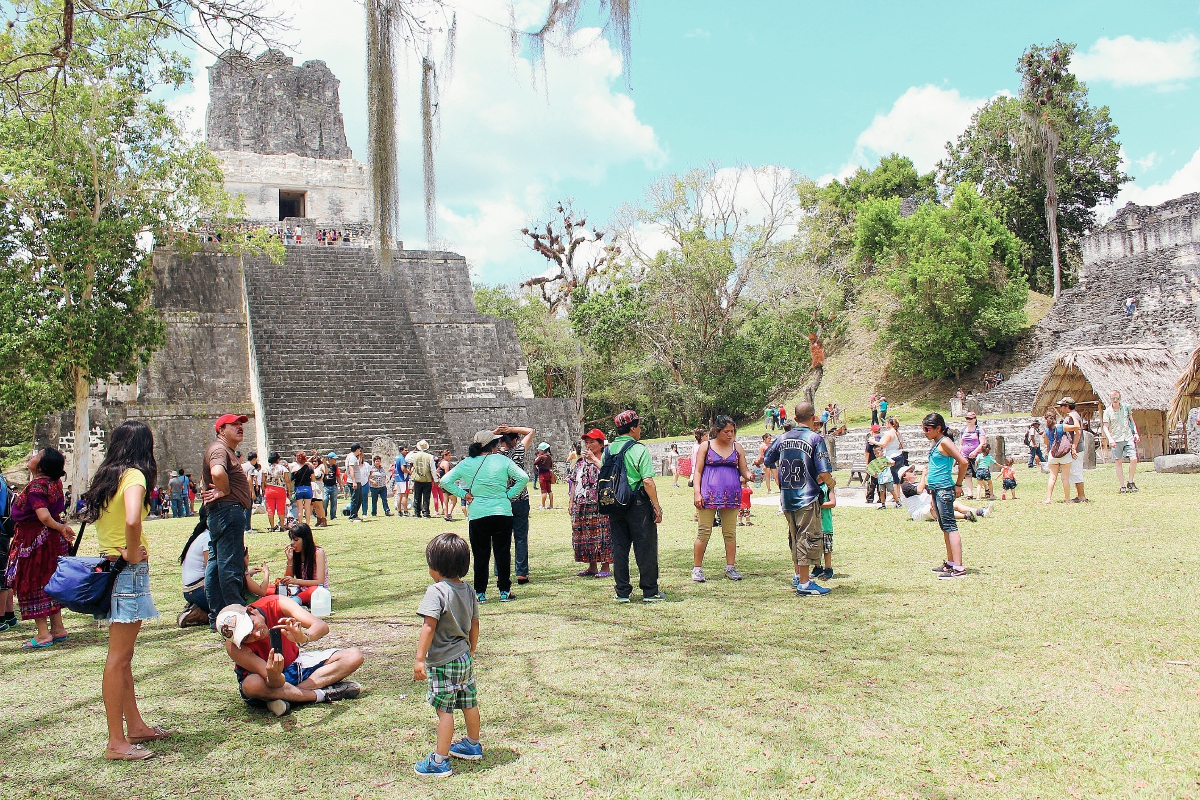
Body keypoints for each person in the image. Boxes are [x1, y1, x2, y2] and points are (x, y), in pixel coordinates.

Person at [81, 419, 171, 761]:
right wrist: (133, 552)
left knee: (124, 657)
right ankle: (116, 742)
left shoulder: (108, 477)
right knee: (118, 659)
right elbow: (133, 520)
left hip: (112, 568)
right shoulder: (134, 476)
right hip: (127, 572)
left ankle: (134, 727)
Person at [216, 595, 364, 718]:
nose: (256, 634)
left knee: (353, 656)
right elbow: (274, 682)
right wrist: (274, 675)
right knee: (251, 685)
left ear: (251, 611)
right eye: (247, 637)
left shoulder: (276, 603)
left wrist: (303, 637)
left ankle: (284, 698)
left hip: (295, 665)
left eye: (252, 626)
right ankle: (321, 695)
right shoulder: (234, 647)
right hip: (267, 681)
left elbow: (321, 626)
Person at [413, 533, 482, 777]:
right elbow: (474, 623)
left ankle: (439, 761)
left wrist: (420, 658)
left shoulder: (436, 591)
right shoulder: (468, 589)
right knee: (469, 702)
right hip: (464, 658)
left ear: (435, 566)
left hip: (442, 662)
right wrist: (471, 648)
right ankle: (473, 745)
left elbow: (428, 626)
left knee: (445, 710)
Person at [439, 430, 530, 603]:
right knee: (502, 553)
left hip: (478, 513)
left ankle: (480, 593)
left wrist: (463, 494)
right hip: (502, 511)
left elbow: (444, 481)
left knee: (480, 554)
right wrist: (509, 495)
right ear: (493, 445)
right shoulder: (503, 460)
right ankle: (504, 591)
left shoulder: (467, 463)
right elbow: (523, 478)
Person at [763, 402, 835, 597]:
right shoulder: (815, 438)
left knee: (794, 537)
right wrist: (831, 484)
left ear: (795, 418)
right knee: (807, 536)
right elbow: (824, 470)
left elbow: (768, 459)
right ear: (813, 418)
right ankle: (805, 583)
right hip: (807, 496)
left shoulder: (783, 437)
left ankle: (798, 576)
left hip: (787, 497)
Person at [4, 447, 72, 648]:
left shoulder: (36, 487)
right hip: (51, 540)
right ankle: (58, 628)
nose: (31, 457)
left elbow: (43, 516)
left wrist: (60, 527)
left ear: (41, 465)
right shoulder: (55, 483)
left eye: (36, 456)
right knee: (51, 581)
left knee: (32, 583)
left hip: (34, 541)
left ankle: (43, 634)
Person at [603, 411, 665, 603]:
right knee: (645, 547)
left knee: (619, 549)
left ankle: (622, 592)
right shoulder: (639, 449)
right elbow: (647, 481)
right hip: (638, 503)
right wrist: (657, 506)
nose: (640, 430)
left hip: (614, 504)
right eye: (638, 426)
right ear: (632, 428)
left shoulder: (608, 450)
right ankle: (649, 591)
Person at [202, 413, 255, 628]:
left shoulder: (225, 450)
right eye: (233, 424)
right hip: (227, 511)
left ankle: (218, 615)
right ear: (221, 430)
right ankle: (236, 612)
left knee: (216, 564)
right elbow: (216, 472)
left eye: (241, 424)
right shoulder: (219, 449)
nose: (239, 427)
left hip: (223, 511)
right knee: (230, 564)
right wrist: (224, 490)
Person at [691, 415, 753, 583]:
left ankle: (730, 567)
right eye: (726, 431)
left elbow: (744, 470)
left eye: (732, 431)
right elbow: (697, 471)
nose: (730, 434)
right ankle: (697, 569)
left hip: (731, 497)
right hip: (708, 496)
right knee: (704, 532)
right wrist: (697, 493)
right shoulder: (706, 446)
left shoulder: (737, 448)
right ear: (717, 431)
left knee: (730, 533)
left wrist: (750, 475)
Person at [918, 413, 970, 579]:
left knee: (951, 527)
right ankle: (951, 563)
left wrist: (959, 484)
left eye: (927, 429)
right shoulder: (937, 443)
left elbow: (963, 462)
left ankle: (959, 568)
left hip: (944, 490)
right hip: (936, 490)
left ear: (938, 428)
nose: (925, 432)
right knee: (945, 527)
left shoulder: (945, 442)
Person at [570, 429, 612, 578]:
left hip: (600, 503)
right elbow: (574, 481)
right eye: (586, 442)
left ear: (601, 444)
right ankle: (592, 566)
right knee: (586, 535)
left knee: (602, 534)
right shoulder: (580, 462)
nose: (588, 445)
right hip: (581, 503)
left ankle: (605, 567)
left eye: (592, 442)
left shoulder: (606, 459)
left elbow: (608, 474)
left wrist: (594, 459)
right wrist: (571, 501)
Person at [495, 425, 534, 584]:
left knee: (500, 539)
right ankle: (521, 573)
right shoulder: (518, 450)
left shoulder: (495, 454)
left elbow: (478, 440)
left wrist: (496, 433)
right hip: (520, 499)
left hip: (502, 500)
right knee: (520, 538)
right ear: (515, 440)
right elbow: (531, 431)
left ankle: (499, 573)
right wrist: (510, 428)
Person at [277, 523, 327, 605]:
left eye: (296, 540)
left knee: (315, 589)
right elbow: (288, 579)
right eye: (291, 540)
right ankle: (293, 601)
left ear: (305, 539)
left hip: (317, 591)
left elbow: (320, 582)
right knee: (276, 587)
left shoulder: (318, 553)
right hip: (301, 591)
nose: (292, 543)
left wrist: (296, 581)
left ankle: (292, 602)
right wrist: (290, 560)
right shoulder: (295, 554)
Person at [1103, 389, 1141, 493]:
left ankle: (1131, 481)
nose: (1115, 400)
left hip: (1127, 436)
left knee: (1134, 459)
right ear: (1110, 399)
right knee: (1118, 462)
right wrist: (1110, 439)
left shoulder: (1126, 408)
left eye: (1117, 398)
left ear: (1120, 398)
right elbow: (1105, 427)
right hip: (1116, 438)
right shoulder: (1107, 412)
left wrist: (1135, 433)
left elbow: (1131, 421)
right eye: (1113, 398)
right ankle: (1122, 485)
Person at [1059, 397, 1088, 503]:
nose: (1061, 408)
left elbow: (1077, 432)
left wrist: (1074, 447)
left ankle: (1081, 496)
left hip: (1076, 447)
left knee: (1076, 471)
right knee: (1074, 470)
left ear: (1067, 406)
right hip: (1075, 447)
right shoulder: (1073, 416)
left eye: (1062, 406)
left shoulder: (1072, 416)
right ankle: (1080, 495)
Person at [1043, 408, 1073, 504]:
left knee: (1052, 477)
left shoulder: (1046, 430)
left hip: (1053, 454)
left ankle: (1048, 498)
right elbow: (1075, 427)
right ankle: (1067, 498)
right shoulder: (1061, 427)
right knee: (1065, 478)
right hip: (1064, 453)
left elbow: (1045, 442)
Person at [959, 412, 987, 499]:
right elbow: (961, 444)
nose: (968, 420)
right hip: (965, 455)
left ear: (975, 419)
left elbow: (982, 443)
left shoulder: (979, 430)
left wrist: (975, 452)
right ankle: (969, 494)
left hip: (977, 456)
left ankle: (987, 489)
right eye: (967, 418)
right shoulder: (963, 430)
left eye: (970, 419)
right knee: (967, 475)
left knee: (980, 474)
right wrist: (959, 455)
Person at [409, 440, 439, 519]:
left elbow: (407, 458)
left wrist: (414, 450)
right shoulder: (430, 457)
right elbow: (433, 469)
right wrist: (435, 480)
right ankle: (426, 512)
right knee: (426, 497)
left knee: (417, 497)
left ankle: (417, 512)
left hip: (417, 479)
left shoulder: (414, 456)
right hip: (427, 479)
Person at [262, 453, 292, 532]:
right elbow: (287, 481)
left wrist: (263, 490)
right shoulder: (283, 468)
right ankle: (282, 526)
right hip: (280, 490)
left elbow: (263, 481)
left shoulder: (266, 469)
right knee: (281, 508)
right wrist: (289, 491)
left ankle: (272, 526)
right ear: (278, 459)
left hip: (269, 489)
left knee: (270, 509)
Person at [814, 481, 836, 581]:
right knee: (815, 547)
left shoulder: (828, 486)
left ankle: (828, 568)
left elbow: (832, 503)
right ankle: (817, 567)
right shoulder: (811, 484)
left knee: (827, 548)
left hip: (825, 524)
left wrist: (818, 505)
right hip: (814, 524)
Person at [345, 443, 368, 522]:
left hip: (357, 480)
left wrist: (360, 457)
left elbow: (357, 465)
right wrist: (354, 481)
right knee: (355, 499)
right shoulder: (352, 457)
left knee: (359, 499)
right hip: (353, 481)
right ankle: (352, 516)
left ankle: (355, 514)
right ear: (357, 449)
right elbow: (351, 469)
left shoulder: (354, 457)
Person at [291, 452, 314, 525]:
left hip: (298, 489)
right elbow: (313, 479)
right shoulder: (309, 468)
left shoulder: (294, 469)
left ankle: (300, 523)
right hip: (307, 488)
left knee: (300, 508)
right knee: (307, 508)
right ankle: (307, 524)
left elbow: (291, 479)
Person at [241, 452, 261, 532]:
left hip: (241, 490)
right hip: (247, 490)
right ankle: (247, 527)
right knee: (248, 509)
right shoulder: (251, 467)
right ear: (254, 459)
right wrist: (252, 492)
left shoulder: (242, 465)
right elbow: (249, 479)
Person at [438, 450, 459, 521]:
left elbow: (437, 472)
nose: (450, 457)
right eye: (449, 455)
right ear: (445, 456)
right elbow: (448, 474)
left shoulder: (441, 463)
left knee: (445, 500)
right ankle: (449, 514)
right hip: (447, 483)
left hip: (442, 484)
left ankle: (446, 514)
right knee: (454, 499)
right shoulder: (446, 463)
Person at [534, 443, 555, 510]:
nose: (539, 451)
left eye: (539, 450)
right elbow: (551, 466)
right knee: (549, 490)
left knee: (543, 490)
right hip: (548, 474)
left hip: (542, 475)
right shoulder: (549, 457)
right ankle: (551, 505)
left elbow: (535, 463)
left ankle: (543, 505)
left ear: (542, 450)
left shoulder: (541, 457)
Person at [322, 453, 340, 522]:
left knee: (334, 502)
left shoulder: (335, 467)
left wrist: (340, 484)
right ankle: (324, 514)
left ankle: (333, 516)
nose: (335, 460)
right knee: (325, 500)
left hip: (333, 486)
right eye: (334, 459)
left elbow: (338, 475)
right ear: (330, 459)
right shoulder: (323, 465)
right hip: (325, 486)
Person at [393, 448, 411, 517]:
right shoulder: (402, 458)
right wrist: (409, 472)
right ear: (401, 451)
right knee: (404, 495)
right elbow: (403, 469)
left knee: (399, 495)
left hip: (397, 478)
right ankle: (406, 511)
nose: (407, 451)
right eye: (405, 450)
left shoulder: (396, 457)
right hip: (403, 479)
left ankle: (399, 511)